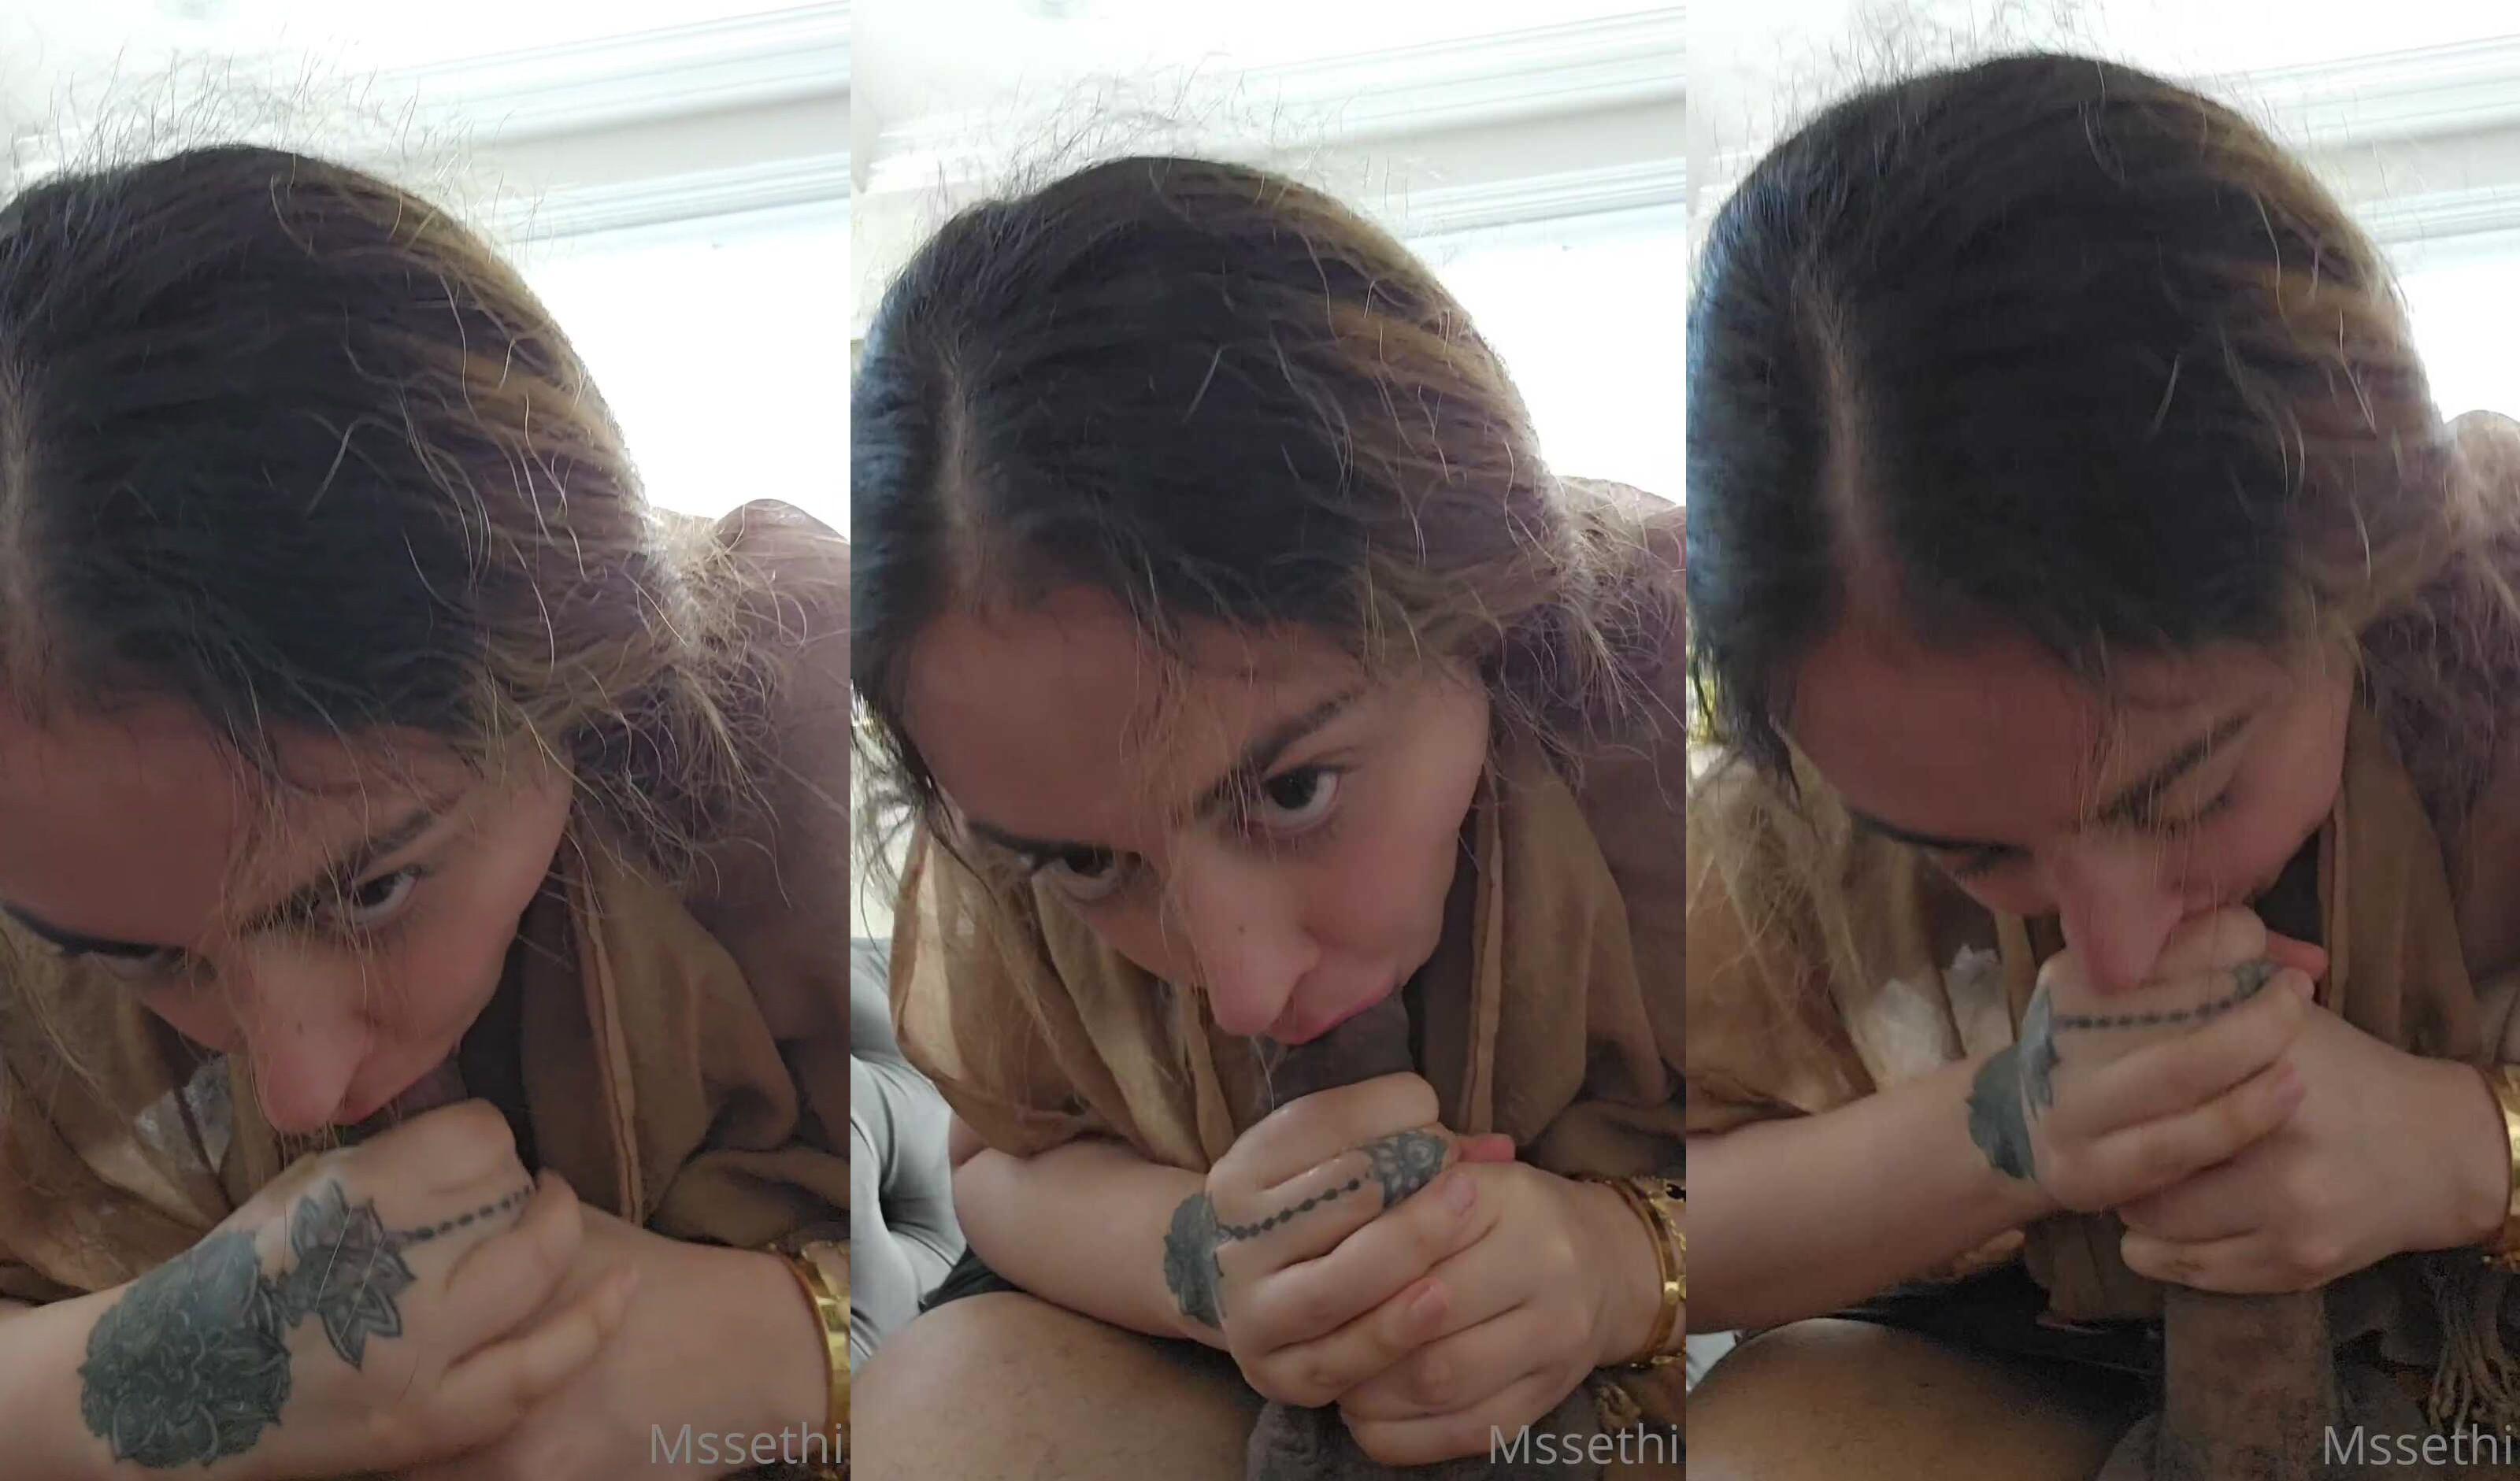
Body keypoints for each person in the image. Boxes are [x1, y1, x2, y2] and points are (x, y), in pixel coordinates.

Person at [1684, 51, 2520, 1479]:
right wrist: (2011, 1125)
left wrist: (2467, 1149)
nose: (2115, 952)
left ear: (2371, 573)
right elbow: (1675, 1211)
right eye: (1973, 850)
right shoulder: (1794, 813)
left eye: (2187, 791)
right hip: (2034, 1361)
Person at [0, 145, 855, 1481]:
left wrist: (774, 1347)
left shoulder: (799, 703)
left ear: (586, 657)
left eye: (372, 888)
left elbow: (986, 1206)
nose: (298, 1085)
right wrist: (118, 1388)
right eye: (135, 953)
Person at [847, 156, 1691, 1478]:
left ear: (1490, 599)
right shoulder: (1007, 769)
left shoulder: (1656, 721)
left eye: (1294, 790)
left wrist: (1624, 1261)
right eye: (1088, 861)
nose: (1239, 988)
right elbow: (997, 1165)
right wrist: (1207, 1261)